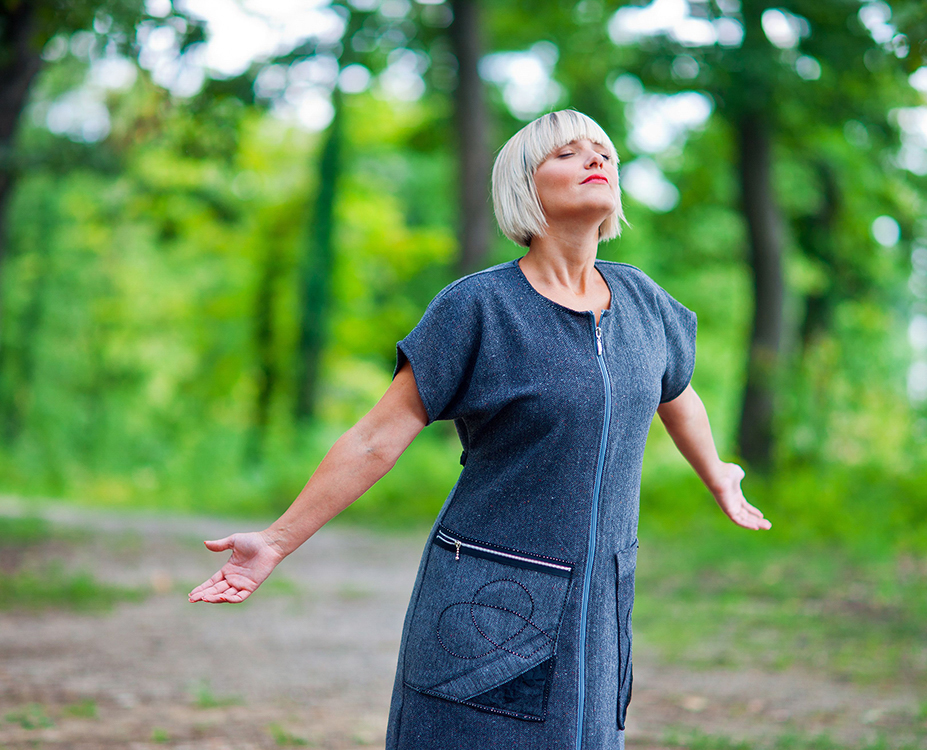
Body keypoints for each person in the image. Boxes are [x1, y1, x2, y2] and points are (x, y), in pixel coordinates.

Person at [189, 109, 771, 750]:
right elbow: (374, 439)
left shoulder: (643, 302)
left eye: (602, 151)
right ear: (525, 186)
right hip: (487, 598)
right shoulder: (478, 308)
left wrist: (718, 473)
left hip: (598, 603)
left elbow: (677, 392)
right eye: (568, 153)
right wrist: (275, 541)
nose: (594, 159)